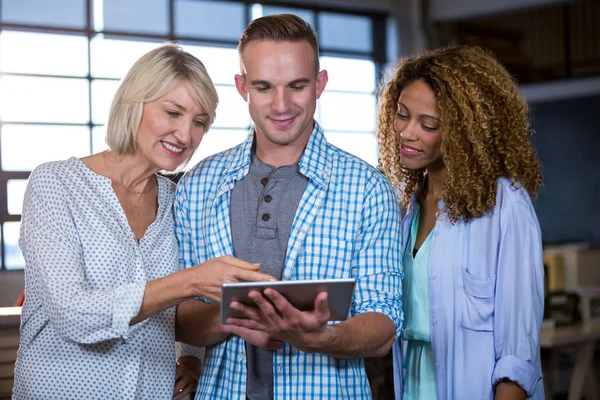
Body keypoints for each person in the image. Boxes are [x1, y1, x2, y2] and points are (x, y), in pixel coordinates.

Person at [12, 44, 273, 400]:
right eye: (172, 112)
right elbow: (74, 314)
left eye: (199, 122)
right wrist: (191, 280)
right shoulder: (55, 184)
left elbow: (189, 307)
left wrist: (194, 361)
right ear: (133, 103)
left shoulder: (178, 200)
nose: (185, 135)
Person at [174, 14, 403, 400]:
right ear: (242, 87)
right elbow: (179, 318)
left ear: (320, 84)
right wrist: (239, 316)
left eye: (297, 86)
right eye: (264, 87)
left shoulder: (367, 189)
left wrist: (324, 336)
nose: (281, 105)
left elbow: (384, 325)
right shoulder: (197, 186)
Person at [377, 45, 545, 399]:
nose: (407, 133)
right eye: (402, 115)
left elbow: (518, 357)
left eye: (428, 124)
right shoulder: (407, 210)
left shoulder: (505, 206)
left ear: (465, 131)